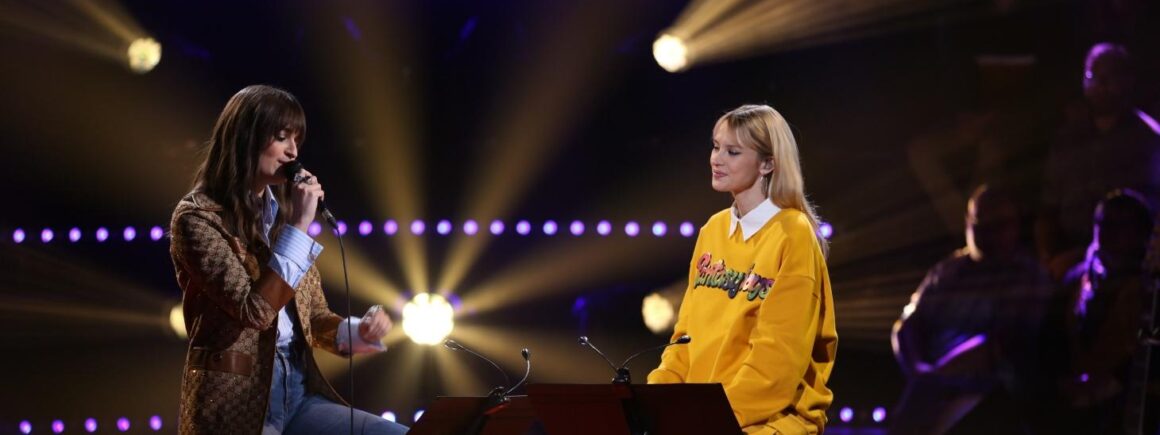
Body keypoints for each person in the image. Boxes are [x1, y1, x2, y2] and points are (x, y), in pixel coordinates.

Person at [168, 85, 408, 434]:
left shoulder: (280, 218)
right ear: (245, 138)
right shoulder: (197, 218)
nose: (293, 152)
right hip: (237, 402)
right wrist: (298, 227)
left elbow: (314, 317)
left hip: (297, 389)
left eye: (297, 140)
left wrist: (358, 330)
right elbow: (255, 312)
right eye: (282, 137)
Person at [647, 104, 837, 435]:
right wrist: (651, 402)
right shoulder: (713, 229)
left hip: (769, 423)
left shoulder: (793, 233)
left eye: (732, 151)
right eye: (716, 146)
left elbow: (778, 362)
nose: (716, 159)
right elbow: (684, 342)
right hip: (706, 418)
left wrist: (706, 419)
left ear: (768, 163)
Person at [890, 185, 1052, 435]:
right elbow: (906, 326)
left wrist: (937, 376)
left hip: (996, 394)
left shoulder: (1028, 275)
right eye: (983, 224)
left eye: (1000, 225)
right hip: (935, 388)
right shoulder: (945, 273)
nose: (991, 234)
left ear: (1015, 226)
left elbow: (1007, 342)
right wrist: (919, 370)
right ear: (968, 223)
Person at [1037, 43, 1160, 280]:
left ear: (1127, 80)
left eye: (1108, 78)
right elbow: (1048, 208)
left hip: (1126, 255)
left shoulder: (1147, 139)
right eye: (1092, 76)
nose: (1099, 86)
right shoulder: (1068, 138)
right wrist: (1046, 256)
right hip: (1067, 248)